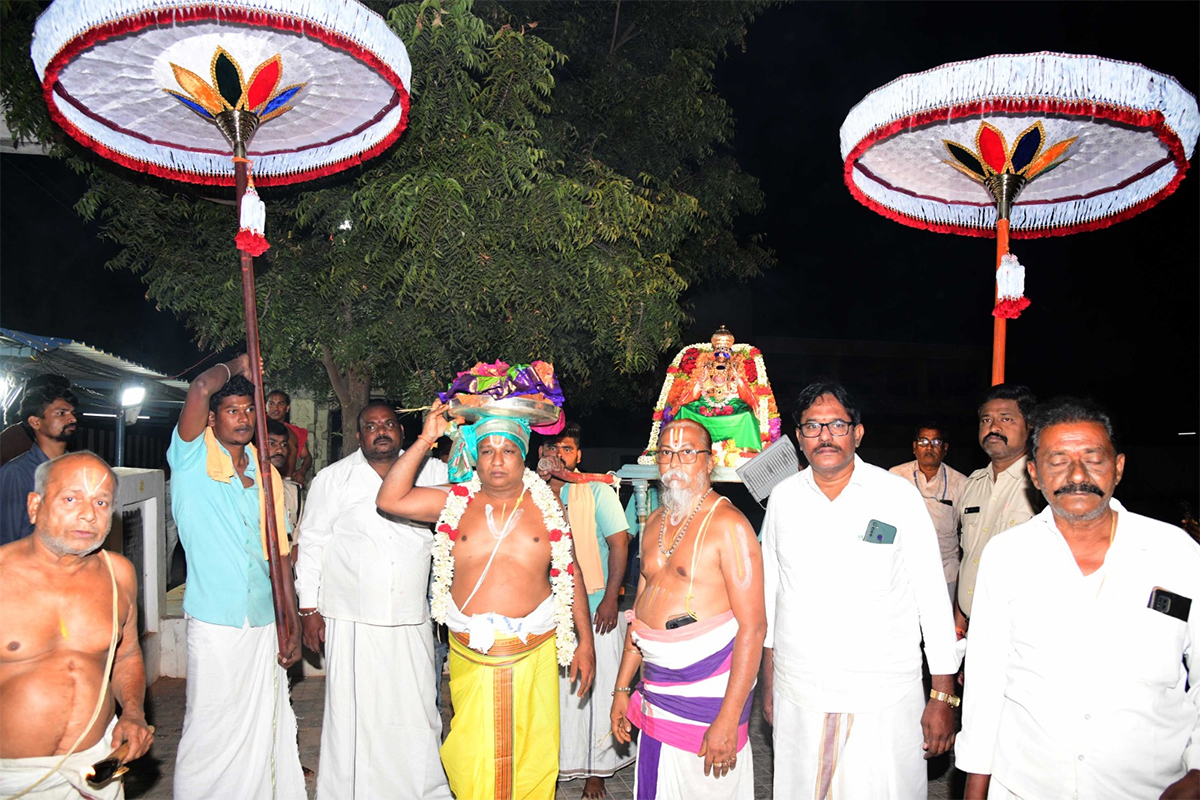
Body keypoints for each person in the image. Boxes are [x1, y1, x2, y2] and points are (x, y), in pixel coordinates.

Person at [956, 397, 1200, 800]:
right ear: (1034, 473)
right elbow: (986, 678)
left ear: (1118, 467)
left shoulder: (1175, 551)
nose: (1077, 474)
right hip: (1024, 785)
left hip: (1151, 787)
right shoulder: (1007, 555)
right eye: (1057, 460)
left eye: (1093, 458)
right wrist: (975, 785)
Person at [377, 399, 596, 800]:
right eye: (487, 450)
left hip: (536, 651)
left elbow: (573, 572)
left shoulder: (547, 507)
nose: (498, 461)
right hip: (472, 655)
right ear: (475, 456)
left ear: (523, 453)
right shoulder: (453, 502)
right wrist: (427, 438)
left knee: (534, 754)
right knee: (471, 758)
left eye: (508, 450)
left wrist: (586, 642)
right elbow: (390, 499)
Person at [760, 380, 959, 799]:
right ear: (798, 437)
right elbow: (771, 594)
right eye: (812, 427)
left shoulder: (896, 496)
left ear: (858, 432)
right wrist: (770, 681)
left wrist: (943, 693)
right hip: (801, 686)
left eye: (837, 424)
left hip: (882, 690)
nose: (825, 436)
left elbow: (932, 597)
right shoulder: (783, 499)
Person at [294, 399, 451, 799]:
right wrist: (309, 608)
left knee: (416, 710)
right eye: (370, 426)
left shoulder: (435, 472)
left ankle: (421, 789)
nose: (381, 431)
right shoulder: (334, 478)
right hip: (351, 616)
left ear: (401, 430)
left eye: (388, 424)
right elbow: (311, 543)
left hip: (411, 614)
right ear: (358, 434)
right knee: (353, 715)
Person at [169, 356, 304, 800]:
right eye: (232, 410)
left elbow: (279, 557)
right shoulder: (191, 457)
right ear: (212, 418)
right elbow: (200, 385)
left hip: (263, 618)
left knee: (264, 718)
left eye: (249, 409)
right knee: (211, 725)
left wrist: (292, 622)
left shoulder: (267, 473)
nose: (243, 418)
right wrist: (240, 363)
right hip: (215, 619)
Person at [610, 418, 765, 799]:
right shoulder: (655, 524)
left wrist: (728, 719)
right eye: (666, 453)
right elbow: (640, 612)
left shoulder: (730, 525)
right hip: (656, 688)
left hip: (710, 693)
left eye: (687, 452)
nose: (674, 462)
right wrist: (621, 687)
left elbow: (754, 628)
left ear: (709, 462)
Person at [0, 452, 154, 799]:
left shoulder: (119, 574)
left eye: (101, 502)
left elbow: (126, 655)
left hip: (97, 766)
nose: (88, 514)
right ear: (35, 505)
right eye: (71, 498)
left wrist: (132, 713)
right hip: (14, 780)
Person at [538, 422, 634, 798]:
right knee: (559, 694)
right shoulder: (532, 494)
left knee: (598, 691)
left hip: (596, 606)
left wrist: (612, 598)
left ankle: (598, 771)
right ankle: (558, 763)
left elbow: (620, 546)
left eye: (566, 449)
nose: (558, 455)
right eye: (551, 448)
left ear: (577, 456)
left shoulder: (597, 490)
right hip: (548, 608)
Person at [956, 384, 1043, 632]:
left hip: (1022, 631)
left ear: (1030, 426)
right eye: (986, 419)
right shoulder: (972, 485)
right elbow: (968, 558)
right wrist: (959, 628)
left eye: (1006, 419)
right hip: (973, 629)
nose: (993, 428)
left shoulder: (1042, 485)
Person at [889, 423, 968, 600]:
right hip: (904, 572)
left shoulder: (961, 483)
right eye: (923, 441)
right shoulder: (896, 476)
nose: (929, 447)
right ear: (914, 447)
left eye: (936, 442)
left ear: (945, 448)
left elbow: (968, 530)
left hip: (946, 572)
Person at [0, 375, 77, 545]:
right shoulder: (16, 471)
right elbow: (9, 540)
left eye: (72, 412)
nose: (72, 419)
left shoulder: (79, 469)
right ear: (35, 421)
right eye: (61, 413)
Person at [266, 390, 313, 487]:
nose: (275, 408)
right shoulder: (256, 430)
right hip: (263, 482)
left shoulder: (295, 433)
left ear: (287, 408)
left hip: (288, 483)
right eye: (271, 403)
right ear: (265, 406)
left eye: (280, 404)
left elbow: (307, 457)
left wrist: (302, 470)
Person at [266, 418, 302, 536]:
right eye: (272, 444)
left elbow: (296, 542)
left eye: (284, 444)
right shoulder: (245, 489)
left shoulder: (293, 492)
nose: (280, 449)